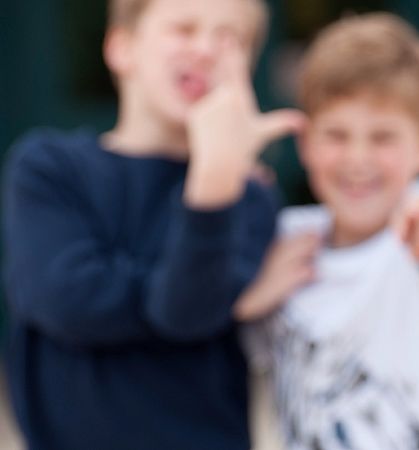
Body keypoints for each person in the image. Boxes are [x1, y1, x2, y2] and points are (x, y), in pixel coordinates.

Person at [1, 0, 304, 448]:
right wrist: (231, 304)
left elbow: (186, 311)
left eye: (230, 37)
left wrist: (215, 178)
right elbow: (68, 300)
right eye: (183, 28)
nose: (205, 49)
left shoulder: (248, 197)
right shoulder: (49, 169)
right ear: (122, 48)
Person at [236, 13, 419, 450]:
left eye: (382, 138)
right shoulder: (286, 239)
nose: (358, 158)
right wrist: (250, 297)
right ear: (305, 143)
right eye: (337, 135)